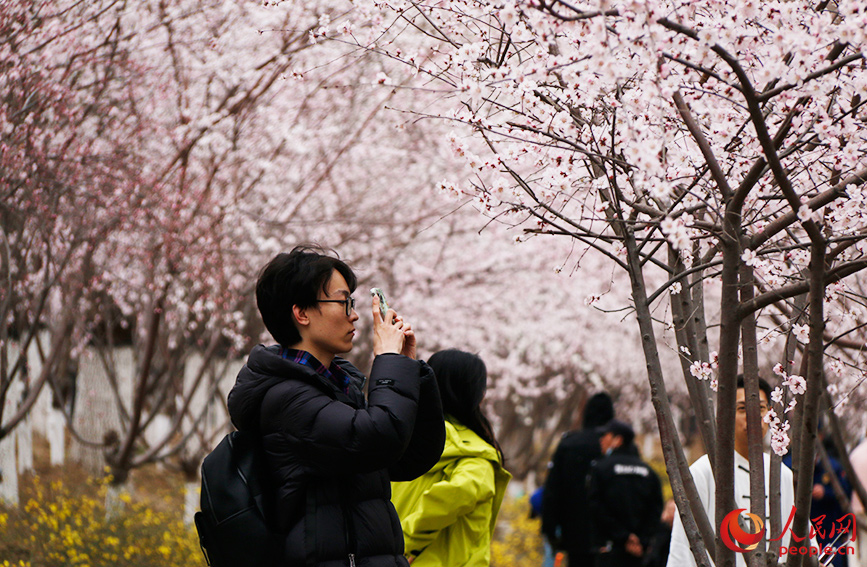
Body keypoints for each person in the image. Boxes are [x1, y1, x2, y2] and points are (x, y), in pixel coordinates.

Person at [227, 246, 446, 567]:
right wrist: (386, 360)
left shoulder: (336, 386)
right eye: (343, 302)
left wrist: (409, 369)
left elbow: (408, 458)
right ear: (301, 313)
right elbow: (379, 438)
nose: (354, 314)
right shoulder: (286, 397)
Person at [390, 349, 511, 566]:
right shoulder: (476, 454)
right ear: (474, 393)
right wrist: (405, 542)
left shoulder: (402, 438)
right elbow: (453, 496)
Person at [666, 376, 799, 567]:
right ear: (725, 416)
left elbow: (799, 537)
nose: (752, 416)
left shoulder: (782, 475)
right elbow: (683, 546)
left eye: (760, 408)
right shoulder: (704, 472)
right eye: (742, 409)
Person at [542, 392, 615, 566]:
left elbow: (552, 489)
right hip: (607, 535)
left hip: (574, 532)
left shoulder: (569, 443)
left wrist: (550, 530)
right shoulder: (613, 446)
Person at [587, 420, 664, 567]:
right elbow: (656, 509)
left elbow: (595, 506)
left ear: (618, 440)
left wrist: (624, 537)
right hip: (639, 553)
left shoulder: (601, 469)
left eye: (605, 435)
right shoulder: (648, 472)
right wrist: (642, 540)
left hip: (609, 549)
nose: (601, 439)